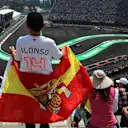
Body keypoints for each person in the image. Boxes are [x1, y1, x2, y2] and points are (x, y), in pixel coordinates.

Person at [9, 12, 63, 128]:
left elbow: (17, 59)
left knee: (28, 114)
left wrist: (12, 51)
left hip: (27, 83)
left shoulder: (21, 41)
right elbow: (61, 56)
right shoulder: (49, 42)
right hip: (45, 85)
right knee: (45, 115)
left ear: (27, 26)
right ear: (43, 26)